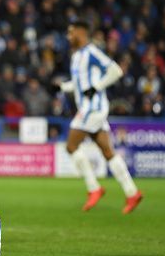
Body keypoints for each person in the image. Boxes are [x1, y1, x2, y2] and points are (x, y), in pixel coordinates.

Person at [59, 20, 143, 214]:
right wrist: (62, 87)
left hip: (92, 109)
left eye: (71, 33)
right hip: (91, 109)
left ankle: (94, 188)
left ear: (81, 32)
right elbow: (80, 84)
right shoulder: (77, 56)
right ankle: (132, 193)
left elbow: (116, 71)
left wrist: (97, 87)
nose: (68, 37)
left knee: (71, 146)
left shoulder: (91, 52)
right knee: (107, 152)